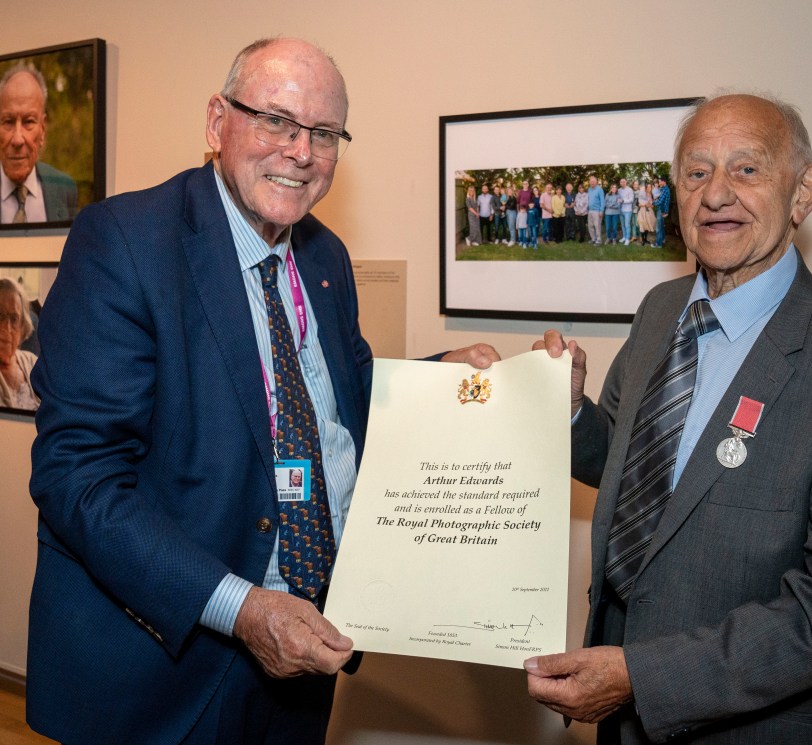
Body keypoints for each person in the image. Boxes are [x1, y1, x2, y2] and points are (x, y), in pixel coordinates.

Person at [27, 38, 497, 745]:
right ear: (218, 123)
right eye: (276, 120)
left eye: (324, 133)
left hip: (302, 650)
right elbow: (79, 478)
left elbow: (344, 403)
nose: (301, 151)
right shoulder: (125, 241)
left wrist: (444, 377)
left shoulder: (327, 256)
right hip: (163, 666)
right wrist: (243, 608)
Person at [527, 93, 812, 744]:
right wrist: (571, 411)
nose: (716, 194)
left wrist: (641, 676)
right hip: (621, 716)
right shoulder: (659, 311)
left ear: (804, 192)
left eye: (746, 169)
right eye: (697, 171)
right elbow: (629, 471)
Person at [0, 66, 77, 224]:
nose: (17, 139)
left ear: (42, 129)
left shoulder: (65, 189)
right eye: (8, 122)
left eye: (28, 121)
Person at [0, 277, 39, 410]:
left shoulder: (32, 362)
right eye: (0, 316)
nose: (7, 328)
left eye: (14, 319)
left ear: (23, 326)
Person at [653, 174, 670, 248]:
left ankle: (658, 244)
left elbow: (660, 202)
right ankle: (663, 239)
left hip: (661, 210)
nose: (659, 183)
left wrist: (652, 203)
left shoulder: (665, 190)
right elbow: (660, 197)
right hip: (663, 210)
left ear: (664, 182)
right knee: (662, 227)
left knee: (658, 228)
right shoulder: (663, 189)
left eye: (660, 182)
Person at [587, 175, 604, 245]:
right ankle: (593, 239)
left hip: (597, 211)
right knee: (590, 226)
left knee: (597, 226)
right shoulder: (589, 189)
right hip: (590, 211)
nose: (592, 183)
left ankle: (599, 240)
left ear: (596, 182)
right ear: (589, 182)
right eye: (591, 181)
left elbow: (602, 201)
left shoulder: (599, 189)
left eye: (594, 181)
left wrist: (601, 210)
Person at [637, 182, 656, 246]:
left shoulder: (651, 195)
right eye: (647, 187)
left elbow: (652, 205)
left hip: (649, 212)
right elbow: (639, 204)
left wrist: (648, 204)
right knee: (643, 225)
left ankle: (645, 239)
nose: (649, 188)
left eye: (650, 187)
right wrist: (645, 204)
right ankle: (643, 240)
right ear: (645, 187)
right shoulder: (642, 194)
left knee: (647, 225)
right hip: (642, 211)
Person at [617, 177, 634, 245]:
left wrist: (623, 201)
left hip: (627, 210)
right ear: (620, 183)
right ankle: (624, 237)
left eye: (624, 181)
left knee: (627, 225)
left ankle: (627, 239)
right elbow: (618, 199)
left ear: (626, 182)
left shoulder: (630, 190)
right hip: (621, 210)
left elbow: (631, 200)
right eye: (621, 182)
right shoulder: (619, 190)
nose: (623, 183)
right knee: (623, 225)